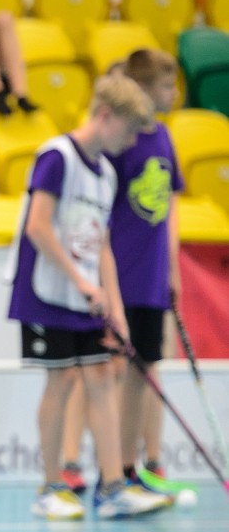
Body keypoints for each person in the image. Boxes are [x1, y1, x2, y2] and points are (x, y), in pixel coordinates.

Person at [6, 72, 172, 520]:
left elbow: (102, 247)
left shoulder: (107, 175)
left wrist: (116, 309)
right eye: (130, 129)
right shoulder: (57, 157)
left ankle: (113, 487)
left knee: (100, 377)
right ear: (105, 115)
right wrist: (81, 283)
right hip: (45, 290)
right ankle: (50, 486)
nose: (133, 140)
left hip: (85, 296)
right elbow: (37, 227)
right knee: (61, 381)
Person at [59, 49, 184, 494]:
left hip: (151, 277)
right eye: (166, 87)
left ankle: (129, 469)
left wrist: (173, 271)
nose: (173, 94)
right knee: (96, 368)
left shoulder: (163, 136)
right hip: (115, 275)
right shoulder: (115, 144)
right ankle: (72, 463)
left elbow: (170, 207)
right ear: (141, 91)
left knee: (141, 371)